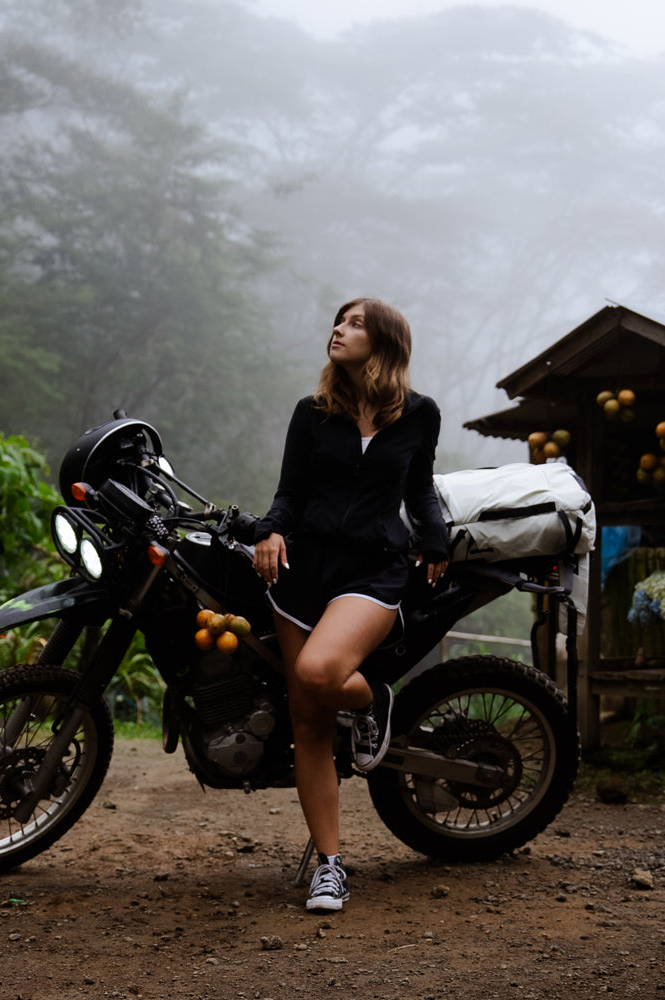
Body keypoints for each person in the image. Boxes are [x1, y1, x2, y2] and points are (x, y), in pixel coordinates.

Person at [253, 296, 450, 912]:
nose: (339, 329)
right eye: (338, 321)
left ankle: (374, 700)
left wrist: (437, 535)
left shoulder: (420, 415)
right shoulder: (311, 413)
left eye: (355, 322)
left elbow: (418, 489)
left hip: (376, 567)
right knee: (308, 720)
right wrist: (270, 529)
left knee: (317, 673)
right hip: (302, 574)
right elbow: (290, 491)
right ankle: (331, 866)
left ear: (386, 340)